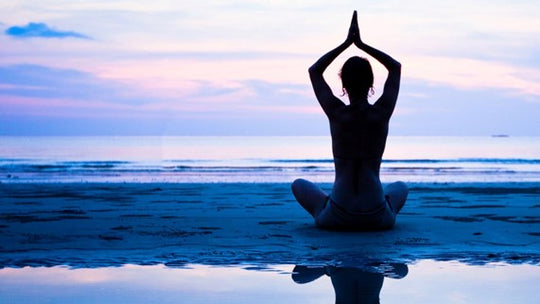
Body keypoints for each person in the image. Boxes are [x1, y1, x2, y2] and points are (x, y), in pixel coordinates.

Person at [291, 11, 408, 230]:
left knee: (298, 184)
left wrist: (346, 44)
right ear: (372, 84)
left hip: (338, 216)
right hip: (378, 218)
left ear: (343, 86)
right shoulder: (381, 113)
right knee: (401, 186)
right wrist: (361, 45)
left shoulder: (337, 113)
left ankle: (326, 204)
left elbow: (315, 71)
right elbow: (395, 67)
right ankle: (387, 207)